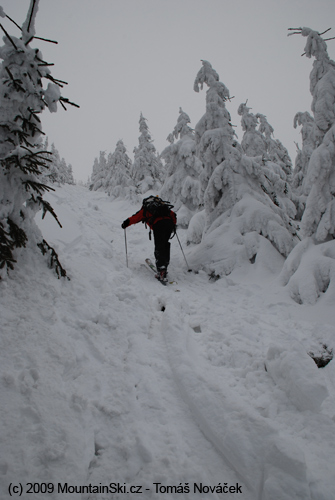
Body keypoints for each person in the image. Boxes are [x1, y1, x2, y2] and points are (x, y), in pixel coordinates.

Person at [121, 196, 177, 281]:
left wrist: (126, 223)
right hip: (169, 224)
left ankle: (161, 270)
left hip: (158, 225)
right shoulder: (163, 206)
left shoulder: (146, 209)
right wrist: (172, 225)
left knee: (159, 246)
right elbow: (173, 215)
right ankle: (164, 266)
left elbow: (136, 217)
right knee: (165, 244)